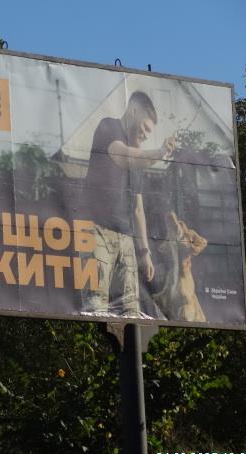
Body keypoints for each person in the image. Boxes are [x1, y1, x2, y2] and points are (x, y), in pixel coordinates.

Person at [81, 90, 177, 317]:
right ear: (133, 112)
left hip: (126, 239)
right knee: (96, 305)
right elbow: (123, 156)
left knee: (131, 309)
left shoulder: (139, 157)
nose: (145, 135)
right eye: (145, 128)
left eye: (149, 132)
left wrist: (144, 252)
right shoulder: (109, 127)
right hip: (97, 232)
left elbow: (138, 208)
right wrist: (160, 152)